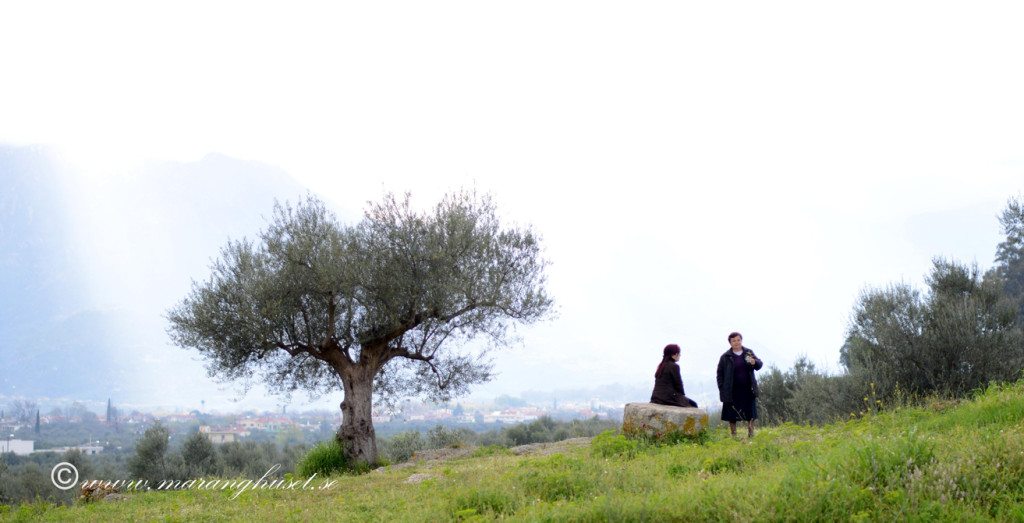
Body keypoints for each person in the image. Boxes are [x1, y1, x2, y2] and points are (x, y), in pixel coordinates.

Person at [716, 332, 763, 438]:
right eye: (733, 341)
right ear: (730, 343)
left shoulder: (748, 353)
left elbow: (759, 365)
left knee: (750, 413)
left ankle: (751, 434)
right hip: (732, 390)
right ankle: (734, 436)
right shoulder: (725, 357)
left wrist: (754, 362)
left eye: (738, 340)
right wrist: (722, 388)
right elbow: (719, 374)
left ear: (741, 340)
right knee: (732, 414)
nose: (736, 342)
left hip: (747, 388)